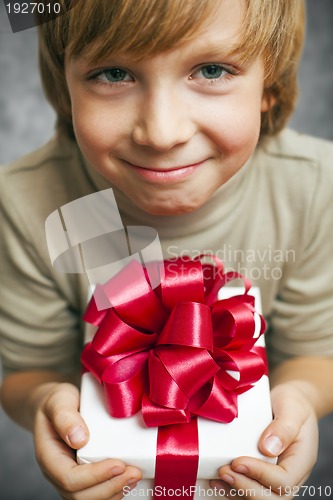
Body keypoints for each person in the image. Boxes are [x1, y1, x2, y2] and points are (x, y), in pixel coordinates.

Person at [1, 0, 333, 498]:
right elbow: (29, 369)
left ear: (270, 82)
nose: (161, 133)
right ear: (64, 87)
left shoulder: (313, 188)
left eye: (213, 70)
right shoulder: (27, 201)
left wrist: (301, 398)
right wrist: (45, 399)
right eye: (113, 73)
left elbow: (316, 352)